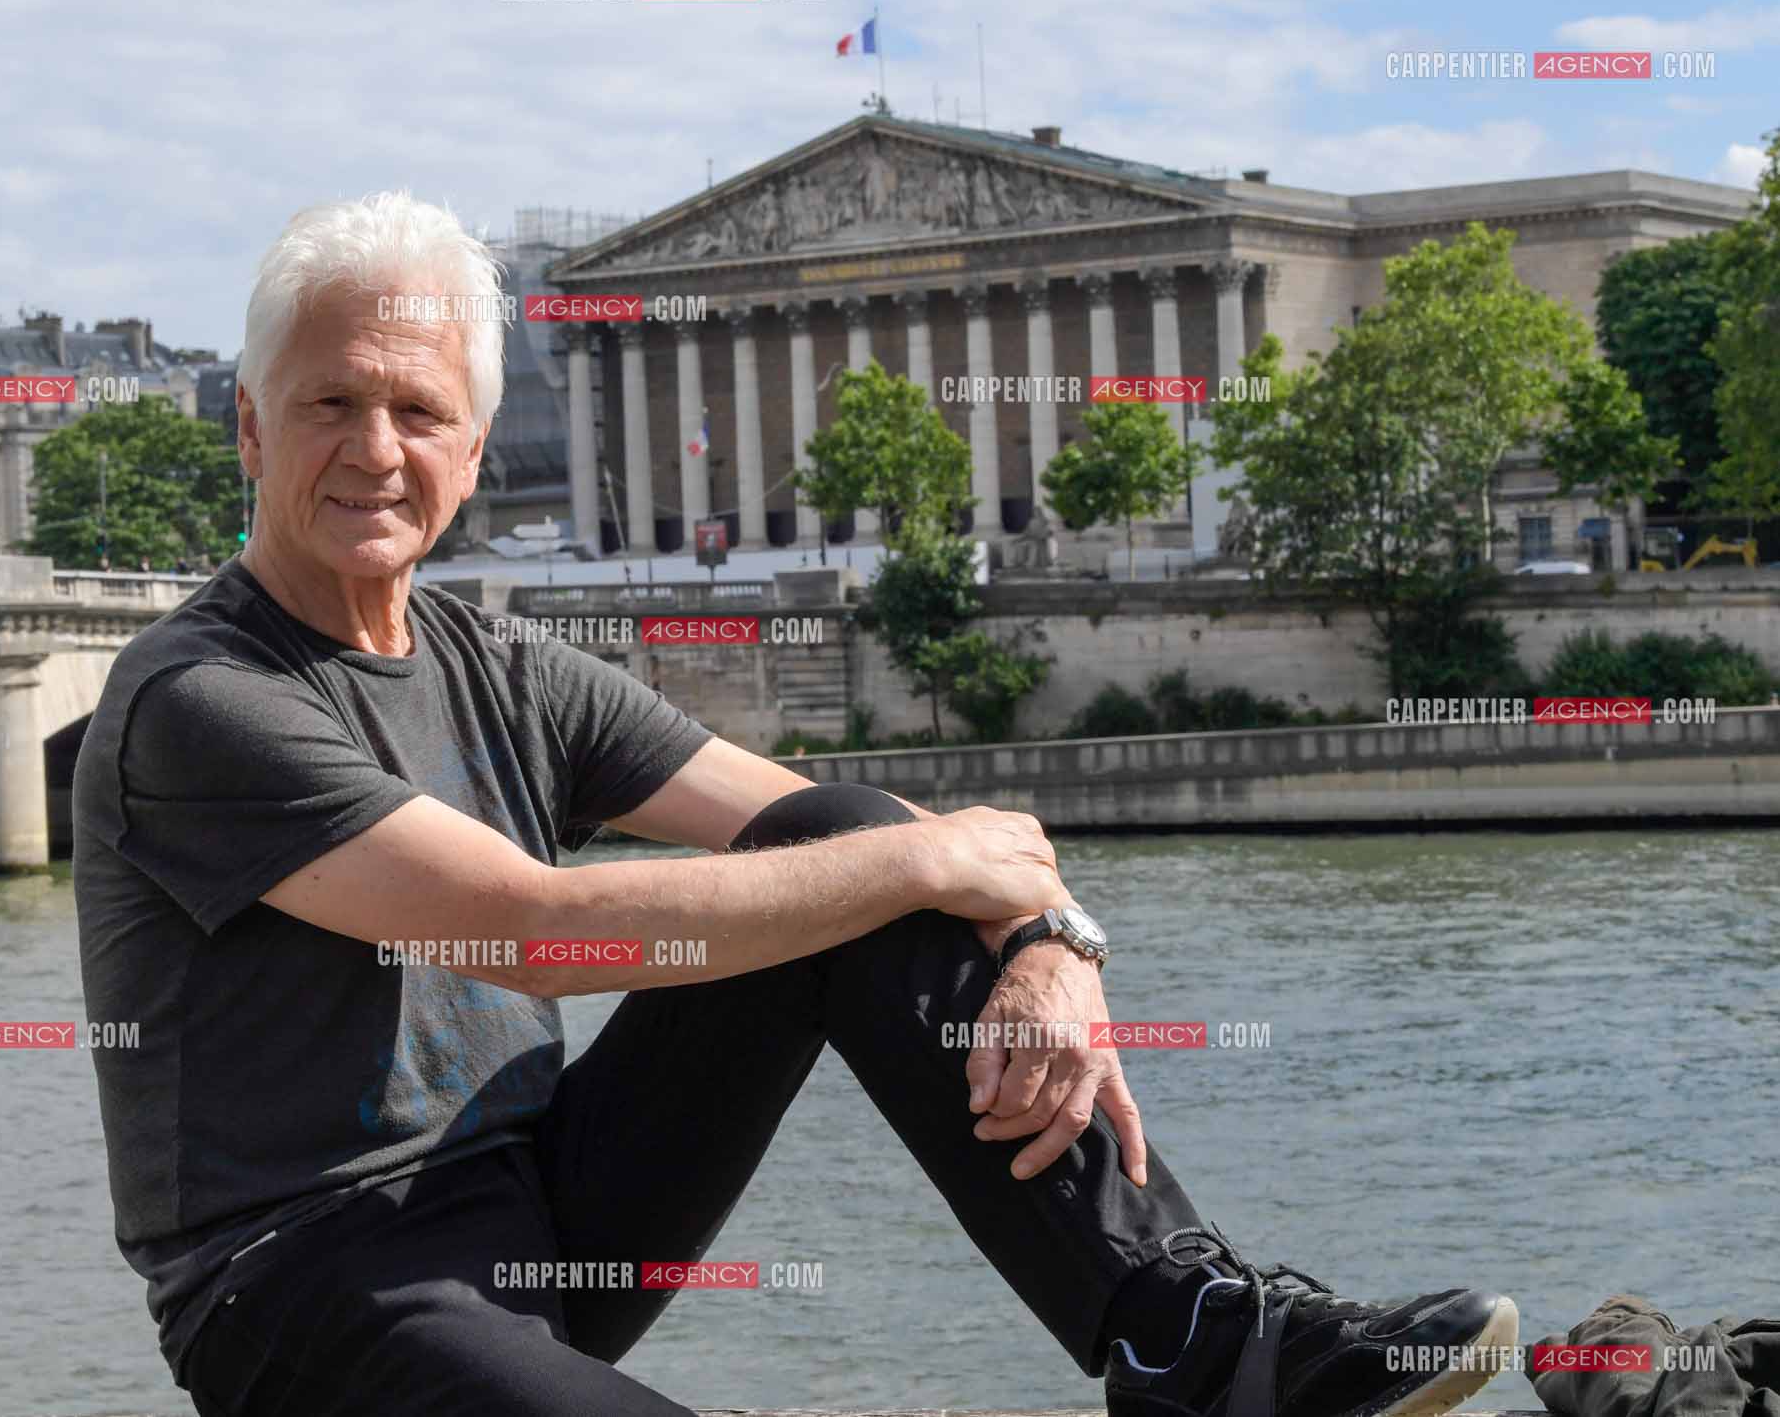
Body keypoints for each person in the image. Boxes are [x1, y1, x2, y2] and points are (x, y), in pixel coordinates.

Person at [73, 192, 1517, 1417]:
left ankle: (1189, 1332)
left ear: (469, 447)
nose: (376, 448)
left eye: (417, 411)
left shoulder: (497, 665)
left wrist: (1052, 943)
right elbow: (533, 933)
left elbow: (855, 836)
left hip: (549, 1206)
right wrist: (948, 864)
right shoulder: (197, 700)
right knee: (877, 855)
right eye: (331, 403)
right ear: (251, 432)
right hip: (309, 1283)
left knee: (842, 837)